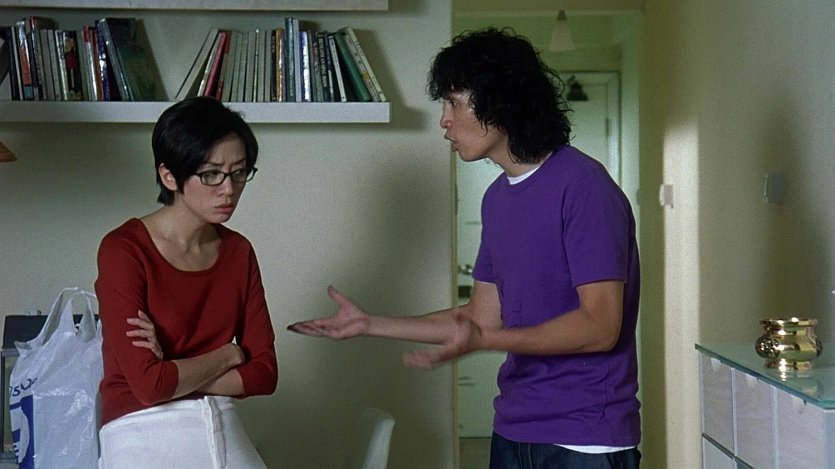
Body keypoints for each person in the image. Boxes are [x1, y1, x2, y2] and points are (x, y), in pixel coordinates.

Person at [289, 27, 641, 468]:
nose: (444, 120)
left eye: (453, 103)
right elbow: (479, 318)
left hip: (585, 437)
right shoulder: (497, 198)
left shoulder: (584, 186)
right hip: (514, 428)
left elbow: (600, 326)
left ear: (501, 102)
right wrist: (369, 323)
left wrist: (486, 341)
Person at [94, 96, 278, 469]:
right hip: (139, 427)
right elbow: (149, 387)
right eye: (211, 174)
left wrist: (173, 368)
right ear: (169, 176)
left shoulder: (238, 251)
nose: (229, 189)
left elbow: (265, 374)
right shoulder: (123, 251)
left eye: (239, 172)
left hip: (220, 422)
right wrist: (229, 355)